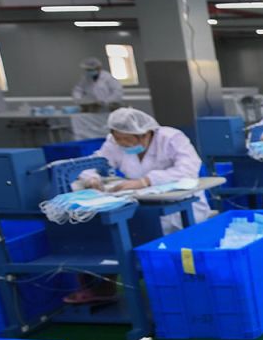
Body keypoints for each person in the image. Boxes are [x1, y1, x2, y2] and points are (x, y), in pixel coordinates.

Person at [69, 108, 207, 303]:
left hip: (181, 203)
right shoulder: (114, 142)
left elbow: (189, 168)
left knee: (176, 246)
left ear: (144, 134)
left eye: (128, 140)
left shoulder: (171, 138)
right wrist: (91, 177)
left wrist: (146, 181)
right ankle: (108, 287)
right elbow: (97, 161)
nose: (122, 144)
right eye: (119, 139)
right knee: (120, 236)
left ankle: (184, 289)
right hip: (140, 205)